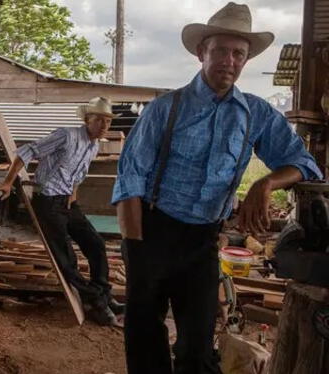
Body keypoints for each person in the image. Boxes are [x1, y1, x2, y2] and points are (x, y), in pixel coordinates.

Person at [111, 2, 322, 373]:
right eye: (221, 50)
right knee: (144, 332)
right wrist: (135, 248)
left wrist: (266, 182)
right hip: (153, 231)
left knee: (197, 343)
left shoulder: (255, 113)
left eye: (238, 53)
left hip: (204, 241)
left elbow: (304, 163)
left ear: (245, 60)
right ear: (201, 53)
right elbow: (130, 178)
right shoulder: (166, 108)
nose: (230, 60)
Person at [0, 97, 125, 326]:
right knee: (66, 257)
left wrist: (72, 198)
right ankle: (95, 302)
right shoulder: (67, 135)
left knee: (96, 244)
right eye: (98, 120)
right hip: (47, 200)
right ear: (87, 120)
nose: (104, 126)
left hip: (66, 202)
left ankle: (104, 294)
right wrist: (8, 182)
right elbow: (27, 151)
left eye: (107, 121)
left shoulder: (94, 146)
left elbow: (78, 175)